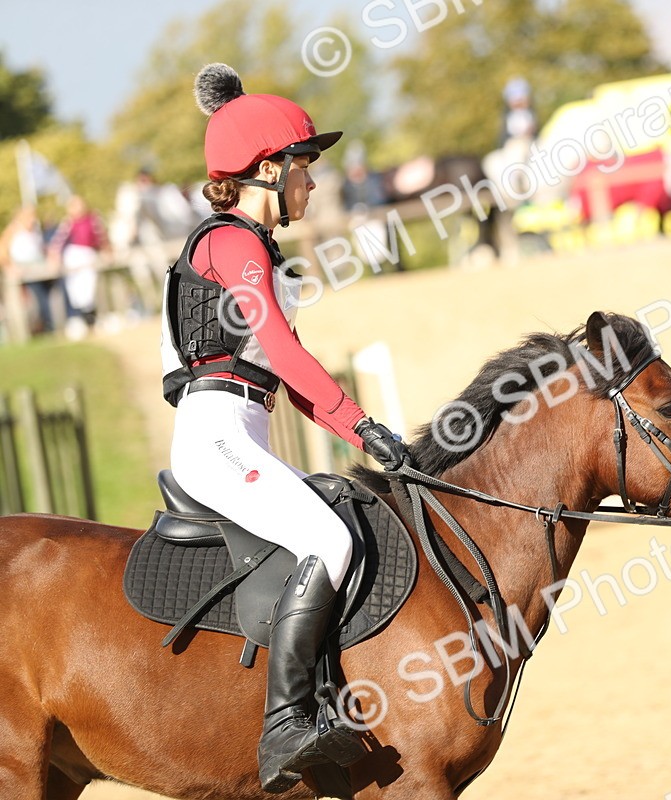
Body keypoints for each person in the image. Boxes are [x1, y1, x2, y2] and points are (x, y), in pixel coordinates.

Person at [161, 63, 409, 793]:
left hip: (245, 424)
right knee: (329, 538)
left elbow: (285, 378)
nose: (311, 182)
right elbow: (285, 350)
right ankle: (284, 728)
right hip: (216, 434)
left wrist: (358, 434)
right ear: (267, 169)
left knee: (343, 515)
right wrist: (360, 425)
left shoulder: (258, 249)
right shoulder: (230, 244)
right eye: (304, 168)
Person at [48, 195, 109, 339]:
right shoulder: (68, 222)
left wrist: (106, 249)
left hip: (88, 255)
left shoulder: (93, 219)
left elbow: (101, 236)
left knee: (89, 289)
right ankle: (84, 321)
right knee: (77, 291)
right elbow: (58, 241)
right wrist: (54, 256)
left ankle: (91, 321)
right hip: (74, 256)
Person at [0, 207, 59, 334]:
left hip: (40, 269)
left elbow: (42, 250)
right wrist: (10, 267)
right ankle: (47, 325)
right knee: (38, 298)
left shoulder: (35, 232)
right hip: (25, 272)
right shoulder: (13, 231)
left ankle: (48, 324)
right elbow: (2, 252)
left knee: (50, 293)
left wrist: (51, 257)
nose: (33, 220)